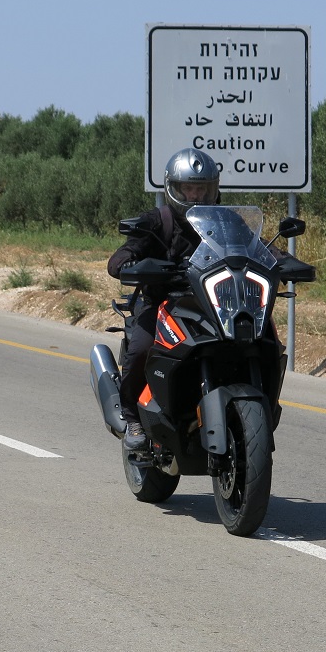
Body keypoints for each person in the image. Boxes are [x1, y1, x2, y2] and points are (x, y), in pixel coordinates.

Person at [106, 147, 220, 450]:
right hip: (162, 305)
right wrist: (129, 264)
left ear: (212, 189)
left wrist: (281, 260)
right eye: (188, 188)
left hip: (213, 305)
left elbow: (256, 246)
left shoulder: (223, 221)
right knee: (142, 349)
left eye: (201, 188)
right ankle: (131, 415)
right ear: (174, 188)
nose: (195, 195)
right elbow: (124, 253)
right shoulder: (159, 221)